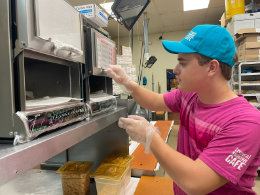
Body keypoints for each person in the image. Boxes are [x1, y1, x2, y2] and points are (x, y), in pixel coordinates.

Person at [107, 25, 260, 195]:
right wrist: (128, 84)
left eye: (182, 63)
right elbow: (155, 101)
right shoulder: (189, 96)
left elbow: (196, 183)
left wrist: (150, 137)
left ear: (212, 68)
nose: (175, 70)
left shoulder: (245, 122)